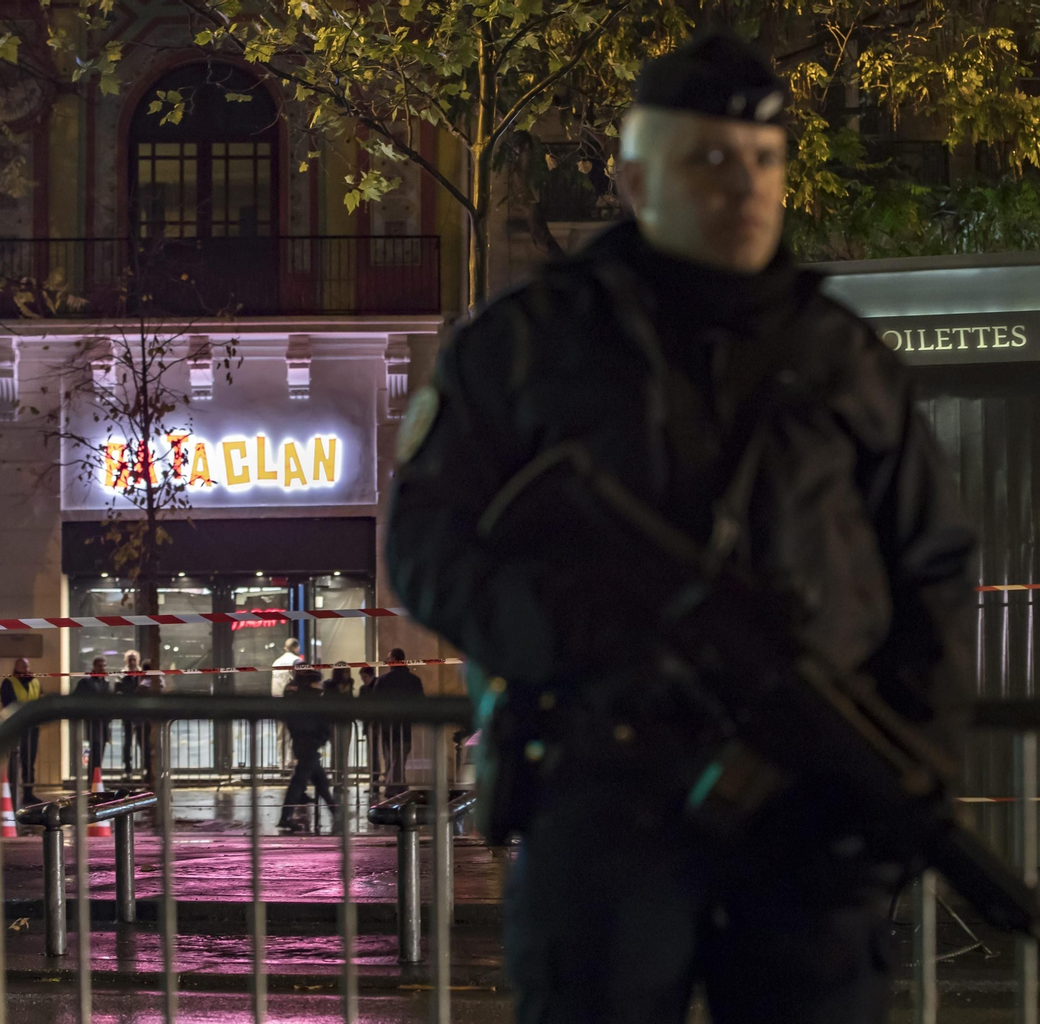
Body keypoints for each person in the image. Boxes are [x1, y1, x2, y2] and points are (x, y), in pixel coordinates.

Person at [385, 31, 977, 1024]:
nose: (743, 184)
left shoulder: (843, 356)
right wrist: (570, 628)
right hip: (601, 793)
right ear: (632, 179)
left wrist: (914, 748)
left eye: (763, 160)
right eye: (707, 159)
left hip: (808, 806)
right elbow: (427, 546)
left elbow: (931, 564)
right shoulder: (527, 345)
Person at [276, 668, 338, 832]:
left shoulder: (301, 699)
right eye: (316, 682)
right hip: (308, 746)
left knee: (321, 782)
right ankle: (286, 817)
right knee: (299, 782)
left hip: (304, 745)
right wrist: (318, 738)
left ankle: (335, 812)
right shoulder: (309, 701)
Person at [372, 650, 423, 787]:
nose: (387, 660)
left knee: (392, 759)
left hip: (388, 726)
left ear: (393, 659)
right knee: (399, 759)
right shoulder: (414, 680)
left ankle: (393, 788)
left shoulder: (383, 680)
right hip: (405, 725)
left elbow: (375, 704)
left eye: (388, 657)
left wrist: (376, 723)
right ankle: (398, 786)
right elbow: (420, 703)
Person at [0, 657, 42, 805]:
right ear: (16, 668)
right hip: (16, 727)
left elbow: (40, 701)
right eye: (23, 667)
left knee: (29, 761)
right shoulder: (9, 683)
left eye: (27, 667)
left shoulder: (35, 682)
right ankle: (11, 792)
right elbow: (8, 704)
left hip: (32, 727)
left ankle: (28, 793)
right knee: (14, 760)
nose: (26, 670)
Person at [74, 657, 112, 776]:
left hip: (104, 722)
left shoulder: (105, 683)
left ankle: (96, 778)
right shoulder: (86, 682)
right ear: (94, 667)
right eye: (100, 666)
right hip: (92, 721)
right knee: (95, 748)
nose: (102, 668)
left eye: (104, 666)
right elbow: (77, 698)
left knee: (100, 751)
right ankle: (93, 779)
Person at [270, 637, 303, 769]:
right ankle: (292, 761)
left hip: (277, 702)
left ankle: (282, 763)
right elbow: (300, 681)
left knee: (281, 736)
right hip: (292, 703)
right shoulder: (296, 661)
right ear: (296, 648)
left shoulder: (276, 662)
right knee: (295, 734)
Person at [115, 650, 146, 778]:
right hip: (127, 712)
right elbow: (117, 691)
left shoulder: (142, 675)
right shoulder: (122, 676)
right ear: (126, 661)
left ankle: (145, 768)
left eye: (134, 659)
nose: (132, 662)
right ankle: (127, 768)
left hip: (140, 712)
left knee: (142, 741)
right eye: (130, 659)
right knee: (127, 742)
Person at [323, 662, 356, 782]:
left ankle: (341, 778)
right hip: (334, 721)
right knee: (336, 751)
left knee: (345, 750)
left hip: (346, 721)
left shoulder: (350, 683)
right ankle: (337, 778)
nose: (347, 675)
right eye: (345, 672)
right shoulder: (329, 685)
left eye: (348, 672)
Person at [356, 665, 381, 787]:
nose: (363, 680)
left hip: (377, 724)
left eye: (365, 677)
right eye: (362, 677)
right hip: (369, 724)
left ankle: (376, 779)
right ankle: (374, 780)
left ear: (371, 675)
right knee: (372, 753)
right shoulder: (363, 689)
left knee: (377, 753)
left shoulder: (378, 687)